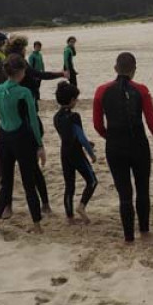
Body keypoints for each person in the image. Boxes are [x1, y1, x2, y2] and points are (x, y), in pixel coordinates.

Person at [93, 52, 153, 243]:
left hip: (115, 147)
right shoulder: (141, 90)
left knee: (124, 193)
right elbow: (151, 121)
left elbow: (97, 124)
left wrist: (109, 137)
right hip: (139, 145)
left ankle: (128, 237)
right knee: (143, 189)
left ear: (115, 68)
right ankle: (144, 230)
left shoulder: (101, 91)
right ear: (134, 70)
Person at [0, 36, 64, 214]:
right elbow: (38, 75)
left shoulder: (5, 65)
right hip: (24, 122)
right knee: (32, 168)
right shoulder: (20, 68)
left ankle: (7, 206)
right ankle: (44, 204)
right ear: (22, 49)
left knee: (8, 170)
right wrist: (60, 74)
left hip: (7, 124)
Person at [0, 54, 46, 235]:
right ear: (21, 72)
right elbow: (33, 121)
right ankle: (37, 226)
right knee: (29, 183)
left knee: (6, 184)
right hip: (22, 138)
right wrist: (40, 145)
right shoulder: (24, 92)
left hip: (3, 137)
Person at [54, 82, 98, 224]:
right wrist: (91, 154)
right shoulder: (74, 116)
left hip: (64, 152)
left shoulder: (57, 117)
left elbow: (67, 135)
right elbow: (81, 138)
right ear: (72, 100)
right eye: (76, 99)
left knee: (69, 185)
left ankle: (69, 216)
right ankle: (81, 206)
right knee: (92, 181)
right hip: (76, 153)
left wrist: (85, 143)